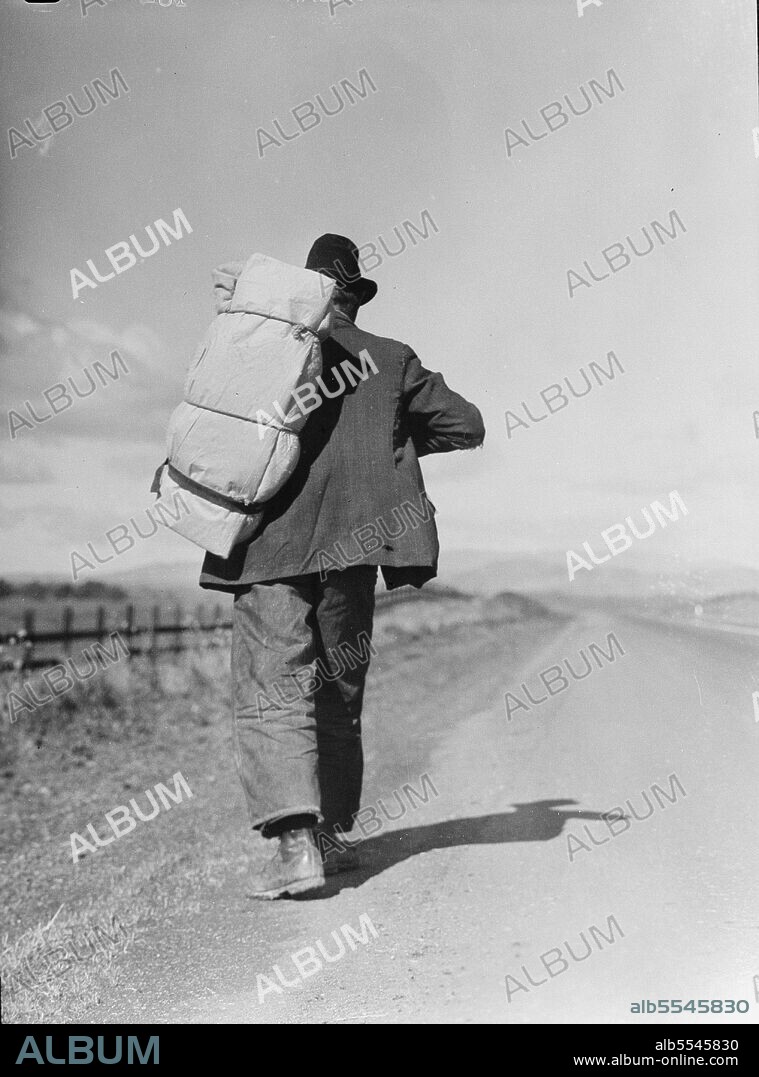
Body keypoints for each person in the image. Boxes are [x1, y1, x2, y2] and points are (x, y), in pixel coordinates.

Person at [199, 234, 485, 898]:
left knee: (274, 687)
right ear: (353, 294)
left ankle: (296, 848)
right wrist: (386, 444)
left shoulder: (261, 350)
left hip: (265, 545)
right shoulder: (389, 359)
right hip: (355, 548)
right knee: (336, 688)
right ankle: (328, 836)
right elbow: (465, 425)